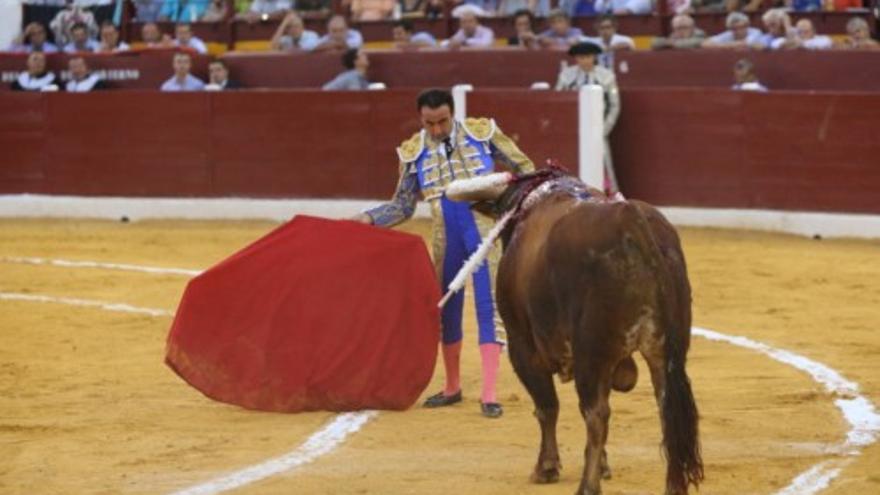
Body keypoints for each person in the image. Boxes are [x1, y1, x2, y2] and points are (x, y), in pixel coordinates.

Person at [352, 89, 536, 418]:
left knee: (487, 305)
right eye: (429, 124)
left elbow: (525, 168)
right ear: (420, 120)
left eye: (442, 122)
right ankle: (452, 386)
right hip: (445, 236)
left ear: (453, 114)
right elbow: (402, 205)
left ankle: (489, 392)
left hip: (482, 231)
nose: (436, 130)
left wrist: (507, 199)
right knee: (447, 308)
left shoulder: (482, 133)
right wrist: (368, 218)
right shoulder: (413, 151)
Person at [555, 41, 621, 193]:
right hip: (573, 130)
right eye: (580, 57)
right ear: (575, 58)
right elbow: (559, 101)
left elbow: (614, 105)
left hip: (599, 128)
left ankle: (609, 195)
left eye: (588, 56)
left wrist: (604, 129)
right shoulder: (566, 76)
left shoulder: (607, 76)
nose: (584, 60)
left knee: (604, 163)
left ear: (595, 57)